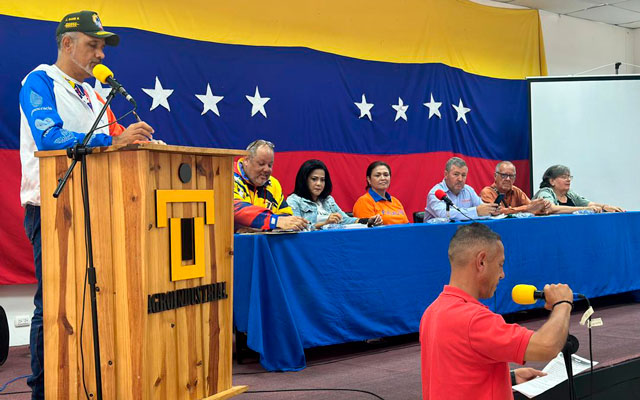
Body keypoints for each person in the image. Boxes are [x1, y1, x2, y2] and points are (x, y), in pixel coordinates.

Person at [19, 10, 156, 399]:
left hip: (98, 203)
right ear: (68, 44)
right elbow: (49, 138)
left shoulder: (95, 93)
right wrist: (115, 141)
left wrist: (141, 145)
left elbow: (116, 137)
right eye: (93, 45)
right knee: (54, 305)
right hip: (52, 206)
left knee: (97, 297)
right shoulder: (39, 80)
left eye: (102, 47)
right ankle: (43, 390)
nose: (101, 55)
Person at [420, 223, 574, 400]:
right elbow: (546, 346)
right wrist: (562, 304)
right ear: (481, 262)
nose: (502, 275)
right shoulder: (474, 320)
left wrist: (510, 378)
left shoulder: (432, 312)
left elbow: (453, 374)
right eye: (500, 265)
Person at [233, 139, 309, 231]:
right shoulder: (229, 177)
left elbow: (286, 216)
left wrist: (260, 226)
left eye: (270, 165)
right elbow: (235, 209)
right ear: (246, 161)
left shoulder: (274, 184)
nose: (266, 170)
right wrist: (273, 222)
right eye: (261, 164)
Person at [286, 159, 382, 229]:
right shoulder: (294, 200)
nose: (319, 184)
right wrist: (325, 223)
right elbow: (297, 228)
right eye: (314, 179)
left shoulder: (328, 200)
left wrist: (368, 221)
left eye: (322, 180)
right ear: (304, 180)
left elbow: (345, 220)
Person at [425, 157, 499, 221]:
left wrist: (491, 211)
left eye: (463, 175)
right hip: (436, 234)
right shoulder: (436, 193)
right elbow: (444, 214)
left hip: (462, 234)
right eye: (456, 174)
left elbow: (482, 208)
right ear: (446, 175)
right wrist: (476, 211)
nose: (460, 179)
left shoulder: (468, 190)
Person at [533, 165, 624, 213]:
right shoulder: (545, 192)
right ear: (552, 181)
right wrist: (584, 209)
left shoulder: (570, 194)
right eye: (564, 177)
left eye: (569, 177)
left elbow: (589, 204)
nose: (568, 180)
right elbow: (553, 209)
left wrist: (605, 207)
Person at [480, 161, 550, 215]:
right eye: (504, 175)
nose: (508, 179)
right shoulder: (487, 192)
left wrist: (540, 205)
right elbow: (496, 211)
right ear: (495, 176)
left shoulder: (516, 191)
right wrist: (526, 208)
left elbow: (531, 206)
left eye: (511, 176)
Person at [352, 161, 409, 225]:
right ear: (369, 179)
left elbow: (407, 226)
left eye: (386, 175)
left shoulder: (396, 202)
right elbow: (367, 232)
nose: (383, 178)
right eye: (377, 175)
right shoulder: (364, 202)